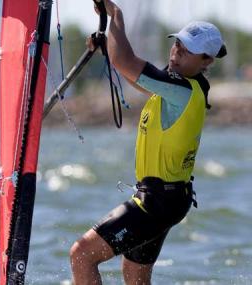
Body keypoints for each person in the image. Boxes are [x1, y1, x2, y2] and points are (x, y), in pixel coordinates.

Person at [69, 0, 227, 284]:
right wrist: (109, 47)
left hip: (157, 204)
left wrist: (115, 16)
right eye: (176, 44)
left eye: (187, 50)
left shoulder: (182, 90)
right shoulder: (175, 87)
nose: (177, 52)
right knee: (134, 274)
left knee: (82, 254)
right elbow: (134, 75)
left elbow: (126, 62)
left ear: (206, 61)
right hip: (167, 200)